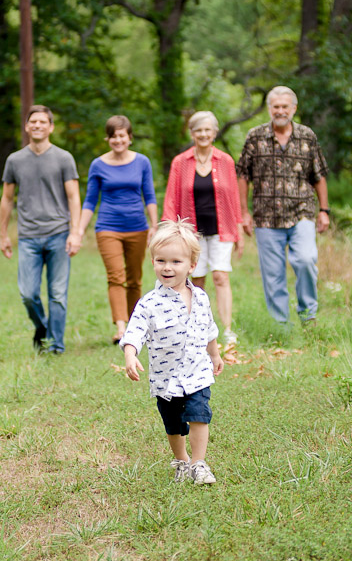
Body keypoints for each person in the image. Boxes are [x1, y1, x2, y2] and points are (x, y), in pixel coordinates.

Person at [121, 219, 225, 484]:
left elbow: (208, 329)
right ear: (153, 261)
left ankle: (199, 463)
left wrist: (214, 355)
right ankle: (182, 461)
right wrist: (130, 354)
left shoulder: (200, 297)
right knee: (174, 425)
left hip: (197, 372)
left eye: (176, 262)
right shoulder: (149, 303)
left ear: (191, 265)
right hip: (165, 379)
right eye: (160, 261)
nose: (167, 268)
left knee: (200, 414)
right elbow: (134, 331)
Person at [237, 85, 330, 325]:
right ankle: (281, 325)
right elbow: (243, 175)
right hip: (265, 217)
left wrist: (324, 210)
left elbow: (318, 175)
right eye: (275, 107)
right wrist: (244, 213)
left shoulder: (307, 136)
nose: (280, 111)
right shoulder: (255, 136)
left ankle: (308, 315)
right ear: (269, 109)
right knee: (273, 275)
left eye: (284, 107)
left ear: (293, 108)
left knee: (306, 259)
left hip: (302, 213)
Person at [0, 105, 82, 354]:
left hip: (58, 234)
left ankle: (55, 345)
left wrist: (75, 232)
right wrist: (3, 234)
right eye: (33, 121)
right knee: (27, 293)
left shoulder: (63, 158)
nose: (37, 125)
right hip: (27, 237)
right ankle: (42, 327)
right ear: (26, 126)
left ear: (51, 127)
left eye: (42, 122)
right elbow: (6, 199)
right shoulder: (15, 160)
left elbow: (73, 197)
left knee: (57, 294)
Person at [163, 111, 244, 346]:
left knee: (220, 275)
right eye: (198, 130)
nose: (203, 134)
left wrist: (238, 229)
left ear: (215, 133)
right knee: (196, 281)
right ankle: (198, 327)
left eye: (208, 130)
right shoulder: (180, 162)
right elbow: (171, 197)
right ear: (192, 133)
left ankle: (227, 329)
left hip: (222, 227)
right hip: (191, 232)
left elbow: (234, 198)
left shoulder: (225, 161)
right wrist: (169, 229)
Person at [78, 115, 158, 344]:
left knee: (134, 279)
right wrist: (79, 230)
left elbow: (149, 196)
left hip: (138, 228)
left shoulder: (142, 162)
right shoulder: (98, 164)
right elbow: (90, 201)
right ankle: (121, 328)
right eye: (113, 136)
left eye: (122, 135)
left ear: (130, 138)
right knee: (116, 277)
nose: (118, 140)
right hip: (108, 228)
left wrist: (154, 225)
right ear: (108, 139)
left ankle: (136, 326)